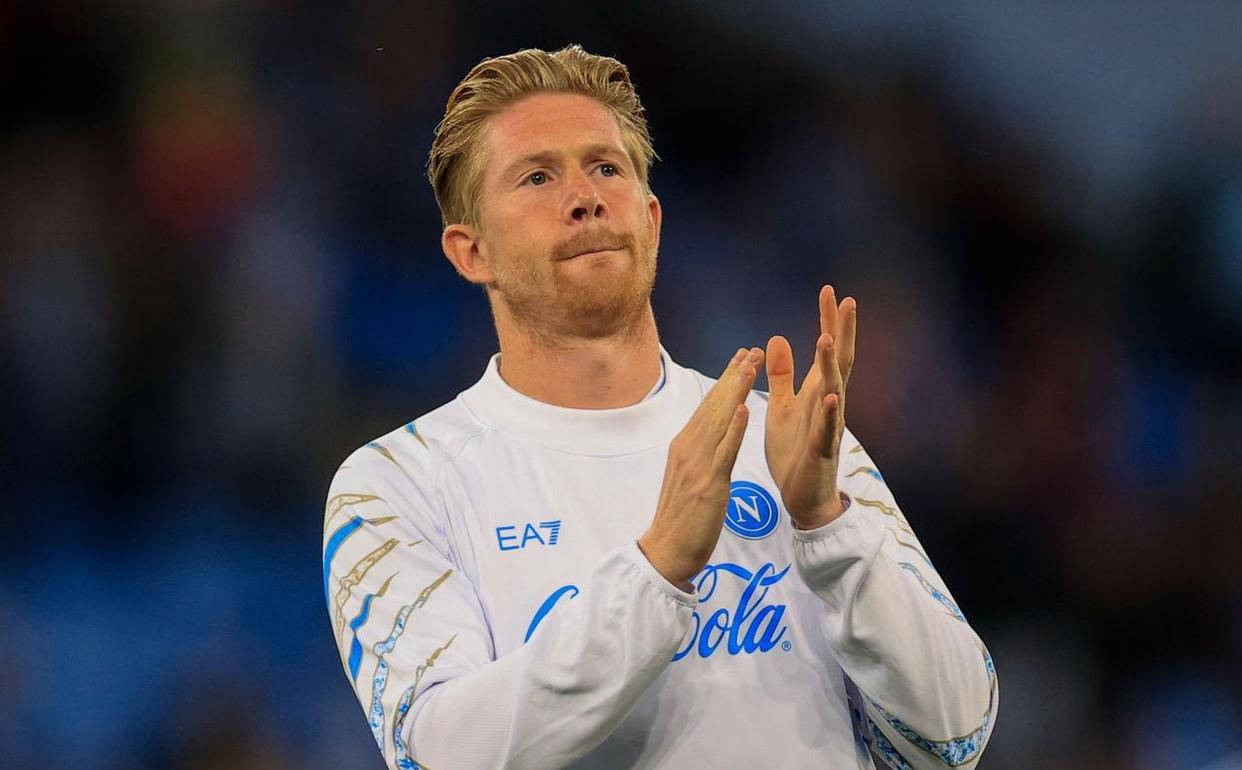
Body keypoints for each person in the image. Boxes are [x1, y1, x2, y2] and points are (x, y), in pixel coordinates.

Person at [323, 44, 996, 770]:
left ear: (650, 218)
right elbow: (442, 755)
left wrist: (827, 528)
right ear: (470, 252)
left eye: (606, 168)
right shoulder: (400, 483)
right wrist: (659, 568)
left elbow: (955, 736)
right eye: (537, 176)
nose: (585, 197)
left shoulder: (789, 441)